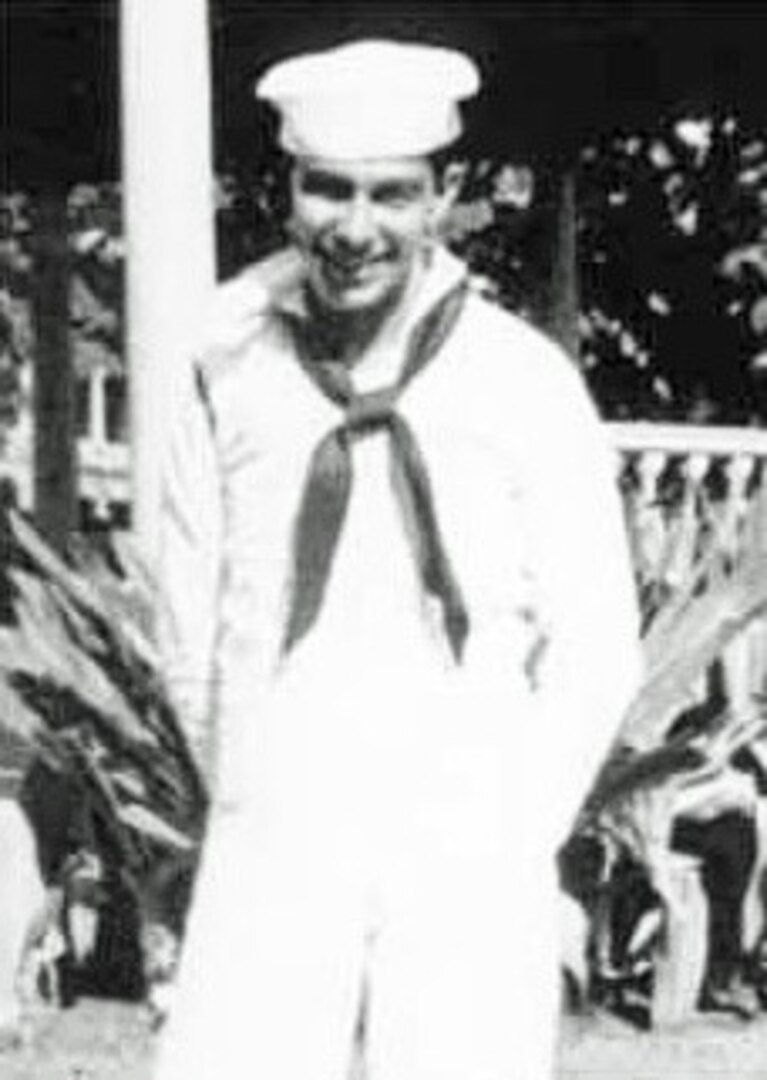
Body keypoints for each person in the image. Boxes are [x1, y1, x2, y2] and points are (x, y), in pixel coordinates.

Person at [155, 38, 642, 1080]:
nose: (356, 228)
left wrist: (514, 824)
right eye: (328, 189)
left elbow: (598, 644)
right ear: (287, 192)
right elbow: (188, 621)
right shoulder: (228, 370)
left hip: (467, 816)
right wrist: (247, 790)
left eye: (392, 194)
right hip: (280, 816)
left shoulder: (520, 380)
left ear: (442, 200)